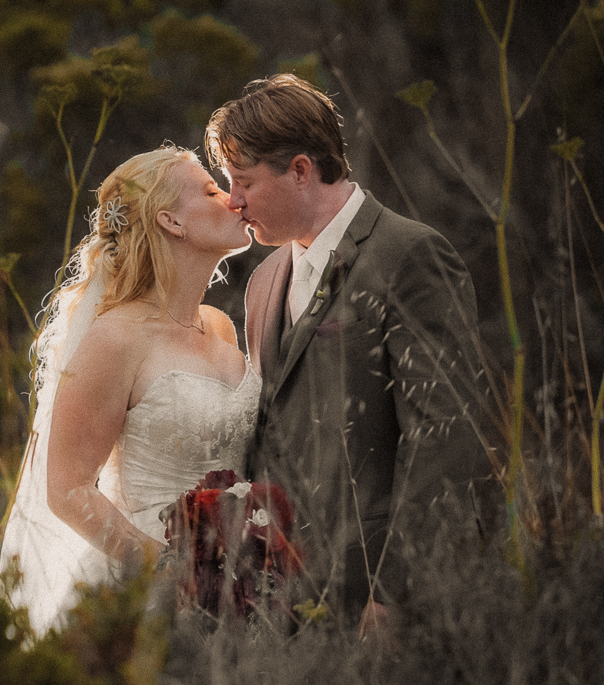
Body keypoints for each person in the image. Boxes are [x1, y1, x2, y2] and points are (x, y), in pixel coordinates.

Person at [205, 74, 488, 635]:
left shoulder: (408, 255)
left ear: (302, 170)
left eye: (243, 182)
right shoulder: (264, 280)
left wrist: (396, 592)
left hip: (372, 595)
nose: (233, 203)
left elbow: (448, 437)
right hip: (279, 599)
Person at [0, 145, 259, 635]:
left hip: (245, 580)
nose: (232, 199)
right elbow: (67, 488)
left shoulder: (221, 327)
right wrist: (175, 573)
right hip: (153, 595)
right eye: (210, 190)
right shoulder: (115, 338)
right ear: (171, 222)